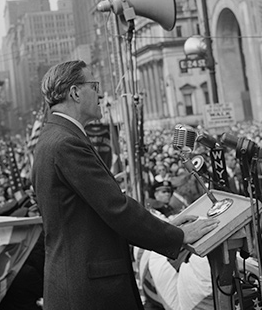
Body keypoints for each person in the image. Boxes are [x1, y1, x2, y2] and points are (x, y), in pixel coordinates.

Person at [31, 60, 220, 310]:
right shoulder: (67, 143)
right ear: (75, 93)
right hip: (88, 291)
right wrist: (179, 235)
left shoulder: (54, 137)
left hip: (76, 282)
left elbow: (94, 215)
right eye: (94, 85)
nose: (100, 94)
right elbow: (116, 208)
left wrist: (165, 226)